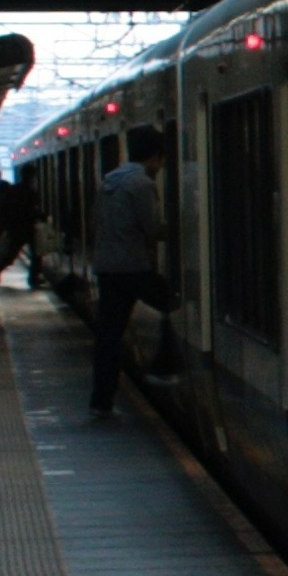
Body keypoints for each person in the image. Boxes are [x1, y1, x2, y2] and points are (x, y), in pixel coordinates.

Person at [86, 128, 165, 420]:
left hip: (107, 268)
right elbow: (152, 228)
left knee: (108, 336)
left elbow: (96, 222)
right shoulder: (142, 184)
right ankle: (165, 366)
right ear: (155, 156)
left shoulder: (110, 180)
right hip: (132, 267)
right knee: (172, 304)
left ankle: (101, 400)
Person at [0, 168, 30, 288]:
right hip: (14, 226)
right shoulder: (15, 194)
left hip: (3, 226)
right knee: (10, 250)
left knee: (3, 247)